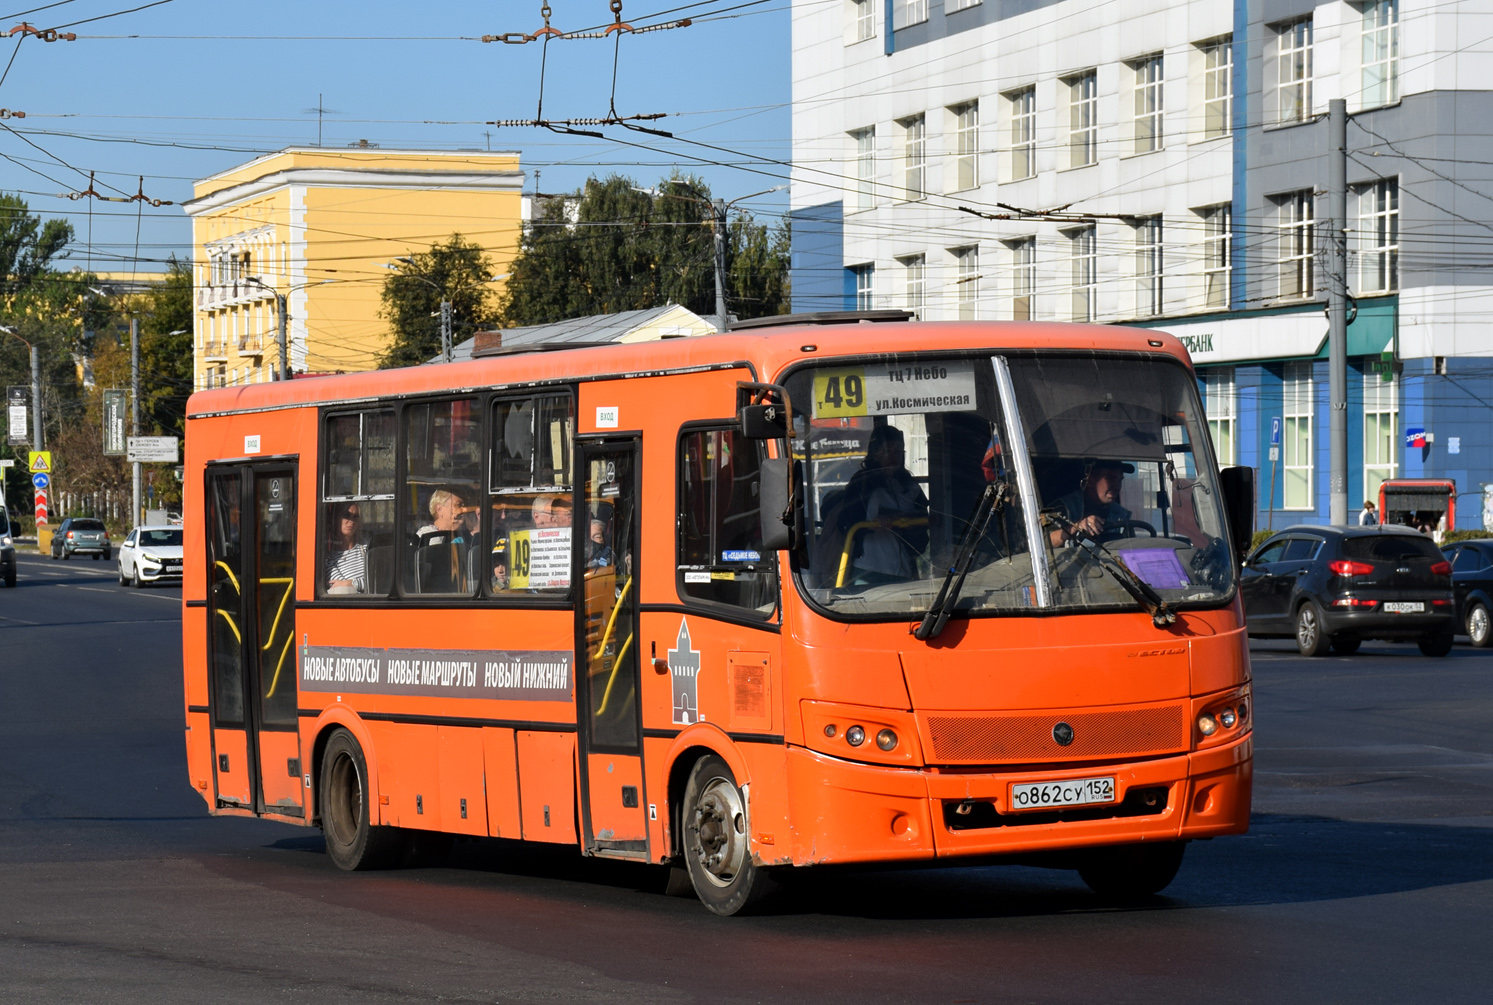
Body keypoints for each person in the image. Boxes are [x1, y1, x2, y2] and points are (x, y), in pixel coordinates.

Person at [843, 424, 929, 584]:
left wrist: (909, 523)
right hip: (867, 569)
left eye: (898, 451)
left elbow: (924, 524)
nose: (893, 458)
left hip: (904, 569)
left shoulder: (908, 484)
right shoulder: (862, 482)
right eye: (887, 451)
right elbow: (845, 522)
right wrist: (872, 524)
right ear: (875, 454)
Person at [1048, 458, 1134, 547]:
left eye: (1120, 480)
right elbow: (1044, 541)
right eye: (1110, 478)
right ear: (1091, 479)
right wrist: (1076, 527)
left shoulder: (1122, 514)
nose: (1117, 486)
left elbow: (1132, 548)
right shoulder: (1064, 507)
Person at [326, 502, 367, 593]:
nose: (351, 521)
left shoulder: (366, 549)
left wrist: (352, 583)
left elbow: (377, 581)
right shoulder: (329, 558)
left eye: (355, 517)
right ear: (336, 519)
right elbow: (341, 591)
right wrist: (361, 584)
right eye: (346, 515)